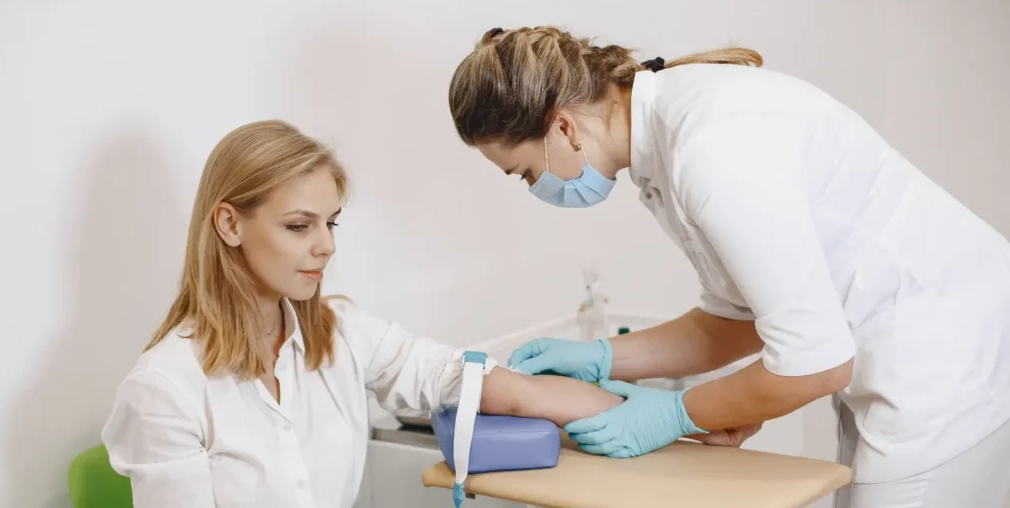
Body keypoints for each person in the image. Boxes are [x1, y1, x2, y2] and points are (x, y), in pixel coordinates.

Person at [447, 26, 1010, 506]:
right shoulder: (665, 141)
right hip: (902, 352)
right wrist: (601, 358)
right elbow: (736, 318)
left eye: (524, 172)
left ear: (563, 126)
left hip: (945, 362)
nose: (534, 188)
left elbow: (815, 365)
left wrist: (674, 415)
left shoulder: (710, 149)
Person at [100, 120, 628, 508]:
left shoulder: (340, 333)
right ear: (229, 225)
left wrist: (637, 415)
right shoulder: (165, 390)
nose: (327, 246)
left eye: (332, 224)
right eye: (299, 226)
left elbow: (455, 376)